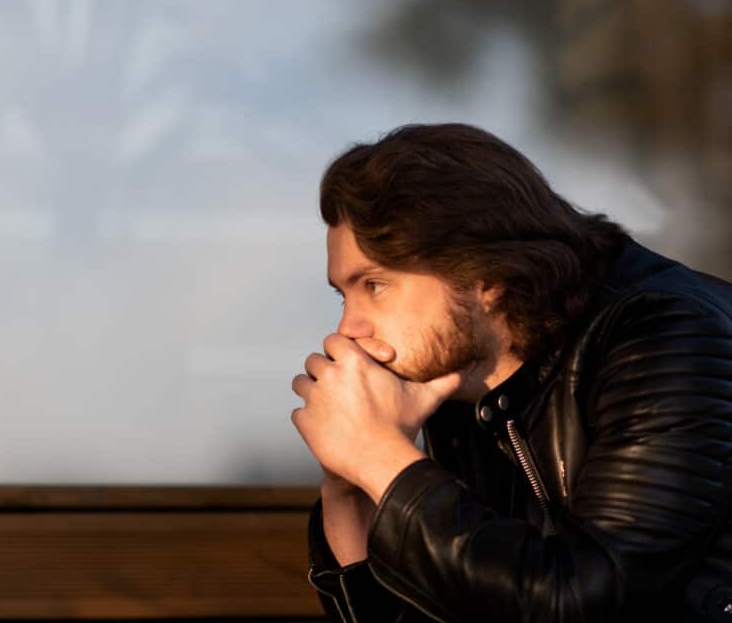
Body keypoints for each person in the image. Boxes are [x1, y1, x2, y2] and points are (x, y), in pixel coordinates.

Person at [290, 123, 732, 623]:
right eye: (342, 294)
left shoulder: (664, 335)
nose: (347, 329)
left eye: (374, 285)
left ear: (484, 276)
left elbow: (585, 602)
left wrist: (378, 457)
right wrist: (347, 486)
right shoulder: (461, 381)